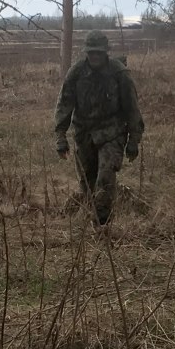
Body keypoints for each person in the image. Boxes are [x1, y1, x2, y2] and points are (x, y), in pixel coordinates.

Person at [54, 30, 144, 226]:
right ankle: (90, 220)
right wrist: (60, 137)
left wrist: (133, 141)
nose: (94, 56)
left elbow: (132, 109)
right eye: (91, 52)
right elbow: (65, 105)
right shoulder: (76, 73)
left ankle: (103, 225)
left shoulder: (120, 74)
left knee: (105, 177)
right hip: (84, 134)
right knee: (87, 183)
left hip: (113, 133)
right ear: (86, 52)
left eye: (98, 53)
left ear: (106, 53)